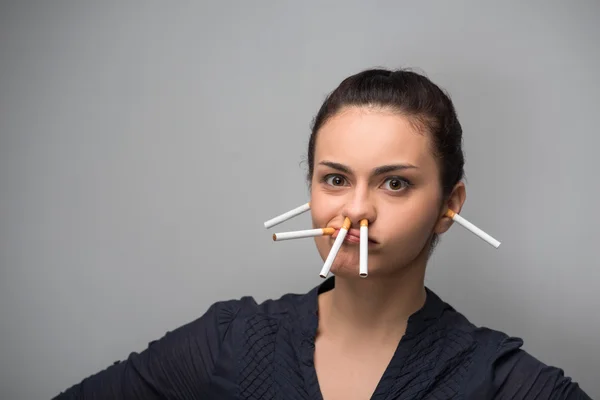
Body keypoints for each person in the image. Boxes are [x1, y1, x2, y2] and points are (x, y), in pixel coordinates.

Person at [53, 68, 591, 399]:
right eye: (335, 179)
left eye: (395, 184)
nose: (356, 209)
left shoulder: (498, 380)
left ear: (449, 205)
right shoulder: (230, 341)